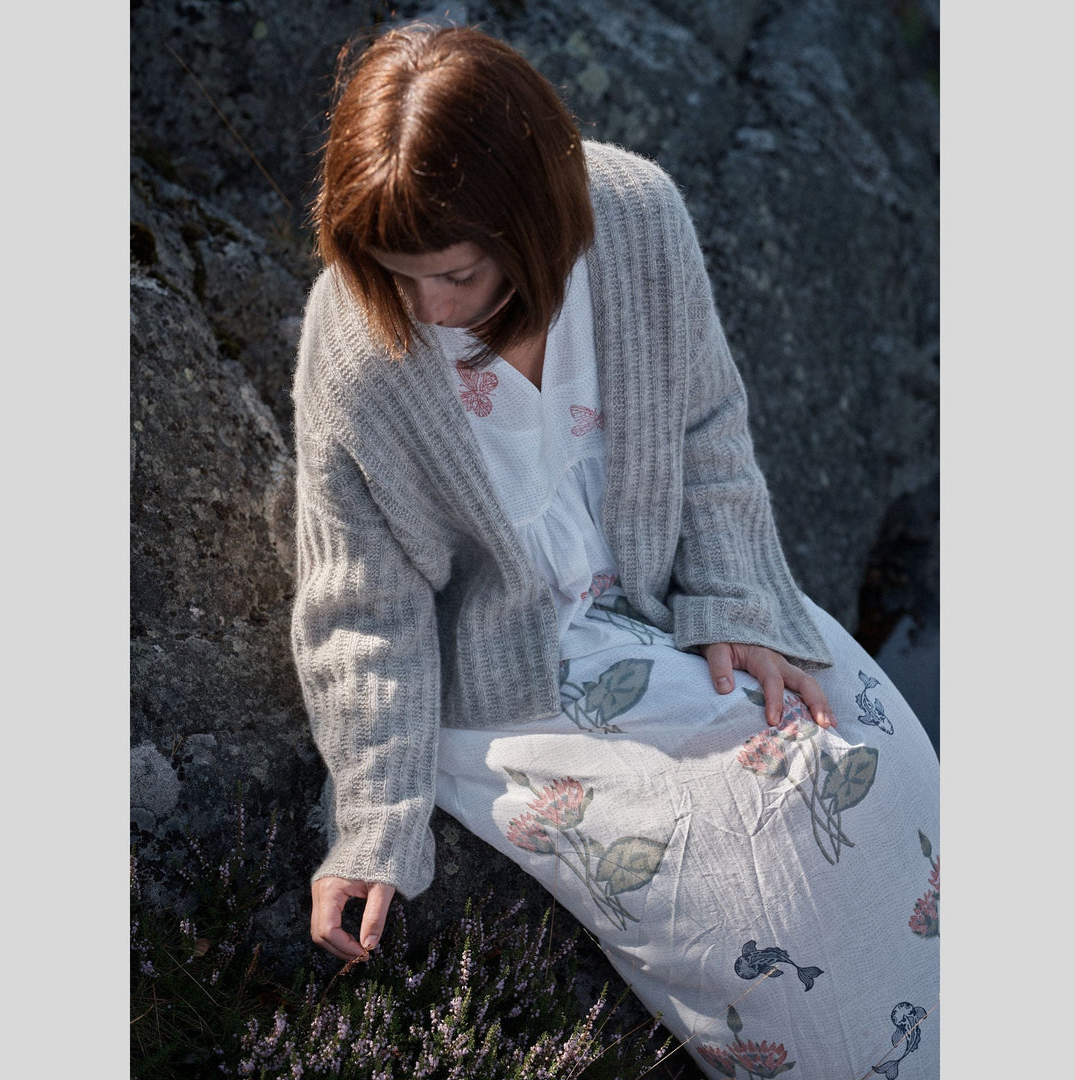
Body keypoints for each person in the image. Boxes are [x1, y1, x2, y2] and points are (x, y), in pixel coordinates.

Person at [292, 22, 939, 1078]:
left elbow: (707, 421)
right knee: (763, 892)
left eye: (453, 273)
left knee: (880, 764)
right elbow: (362, 605)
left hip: (670, 583)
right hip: (520, 676)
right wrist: (374, 821)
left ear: (533, 222)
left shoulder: (634, 214)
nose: (423, 308)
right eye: (396, 274)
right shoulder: (360, 341)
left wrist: (735, 595)